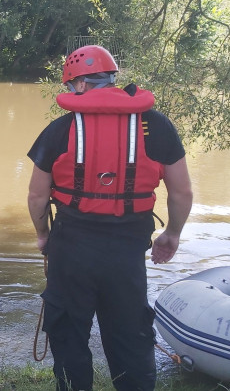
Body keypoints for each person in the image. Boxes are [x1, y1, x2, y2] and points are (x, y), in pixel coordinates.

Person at [26, 45, 193, 391]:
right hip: (126, 254)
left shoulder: (60, 129)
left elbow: (37, 196)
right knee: (130, 336)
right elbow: (181, 193)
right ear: (112, 79)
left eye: (72, 86)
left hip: (70, 250)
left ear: (82, 85)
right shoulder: (156, 126)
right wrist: (172, 234)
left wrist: (43, 236)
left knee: (69, 336)